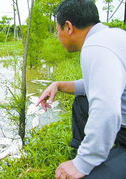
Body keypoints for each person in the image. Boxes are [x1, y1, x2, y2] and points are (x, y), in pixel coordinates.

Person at [36, 0, 126, 178]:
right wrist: (58, 85)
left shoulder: (95, 47)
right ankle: (87, 153)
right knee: (82, 101)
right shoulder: (113, 36)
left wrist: (83, 164)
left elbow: (107, 110)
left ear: (68, 27)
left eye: (57, 30)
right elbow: (98, 84)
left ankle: (85, 161)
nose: (58, 36)